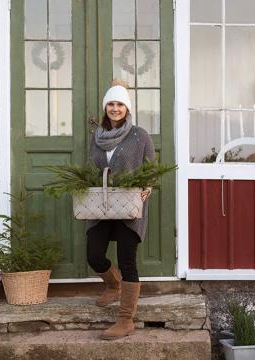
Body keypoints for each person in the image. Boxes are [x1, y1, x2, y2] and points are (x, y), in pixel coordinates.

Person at [86, 81, 155, 340]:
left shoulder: (140, 135)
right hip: (101, 205)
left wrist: (148, 187)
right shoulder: (96, 137)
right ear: (106, 108)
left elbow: (151, 169)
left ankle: (126, 320)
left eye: (120, 104)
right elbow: (90, 168)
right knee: (94, 254)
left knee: (128, 259)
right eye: (111, 104)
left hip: (128, 206)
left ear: (127, 108)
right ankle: (112, 284)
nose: (115, 109)